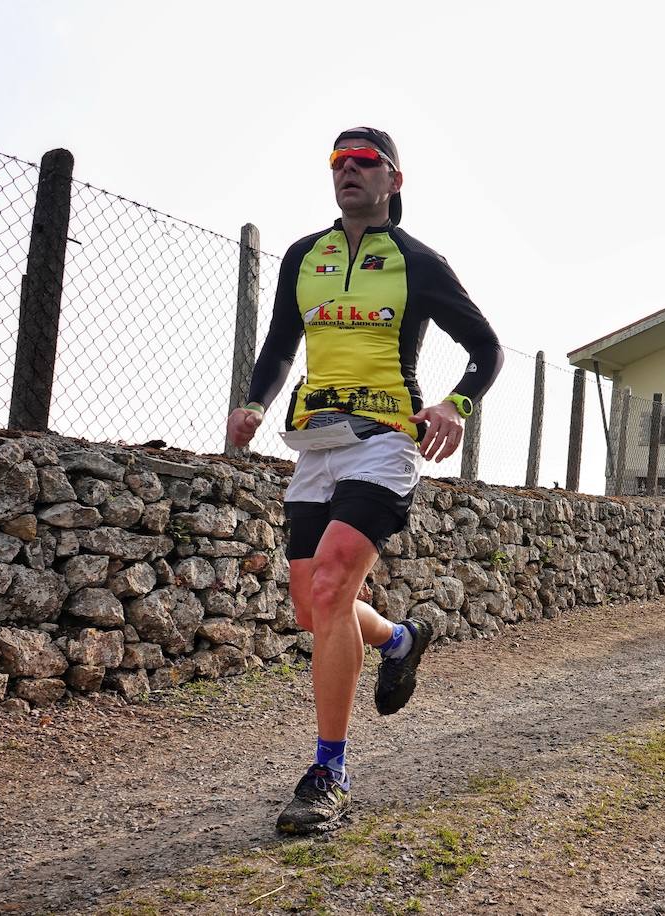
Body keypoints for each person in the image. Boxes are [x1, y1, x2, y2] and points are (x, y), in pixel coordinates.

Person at [226, 127, 502, 835]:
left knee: (329, 585)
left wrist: (454, 404)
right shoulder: (303, 256)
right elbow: (282, 343)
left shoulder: (416, 262)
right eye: (337, 163)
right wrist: (254, 404)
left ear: (393, 181)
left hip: (387, 442)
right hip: (316, 443)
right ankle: (400, 641)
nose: (347, 172)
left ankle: (329, 773)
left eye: (364, 163)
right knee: (312, 607)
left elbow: (486, 348)